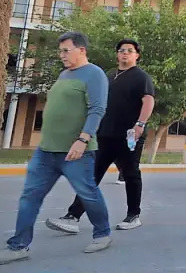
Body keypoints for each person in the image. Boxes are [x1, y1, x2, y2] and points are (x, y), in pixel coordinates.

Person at [0, 32, 112, 266]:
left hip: (75, 151)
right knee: (30, 195)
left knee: (88, 194)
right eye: (60, 51)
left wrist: (82, 140)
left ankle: (102, 233)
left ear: (81, 50)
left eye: (65, 50)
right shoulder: (63, 74)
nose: (61, 55)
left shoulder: (95, 74)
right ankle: (18, 245)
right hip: (46, 151)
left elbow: (97, 110)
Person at [47, 39, 155, 234]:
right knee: (91, 175)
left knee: (131, 174)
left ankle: (133, 215)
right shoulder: (110, 75)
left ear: (136, 55)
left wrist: (140, 124)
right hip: (105, 134)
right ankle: (73, 216)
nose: (125, 54)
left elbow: (148, 100)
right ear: (117, 54)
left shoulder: (141, 77)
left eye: (129, 51)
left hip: (129, 134)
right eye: (121, 50)